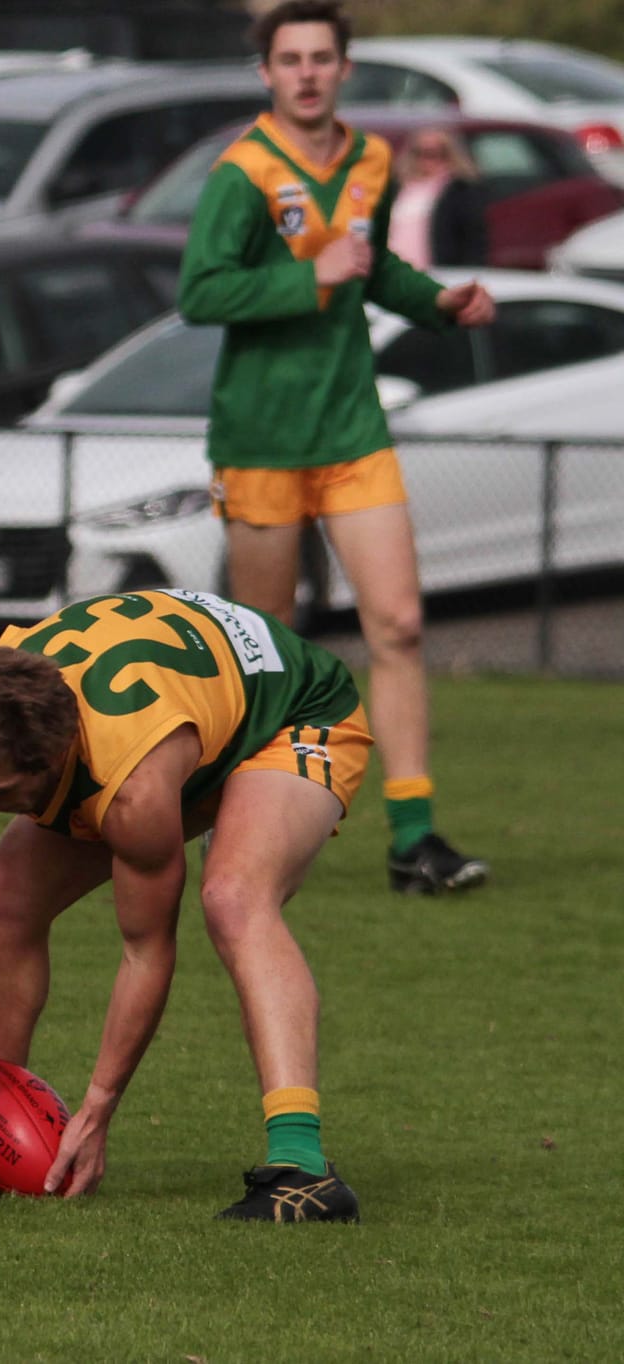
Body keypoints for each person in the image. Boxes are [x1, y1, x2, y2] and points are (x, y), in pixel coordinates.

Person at [0, 589, 371, 1222]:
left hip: (292, 717)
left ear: (54, 754)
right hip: (186, 719)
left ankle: (303, 1169)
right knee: (4, 893)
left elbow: (145, 950)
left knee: (233, 897)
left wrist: (98, 1106)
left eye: (2, 793)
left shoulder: (132, 787)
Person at [179, 0, 492, 895]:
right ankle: (243, 824)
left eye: (323, 57)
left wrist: (435, 301)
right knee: (270, 650)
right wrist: (300, 276)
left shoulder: (371, 161)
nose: (308, 72)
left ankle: (413, 837)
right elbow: (201, 292)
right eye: (291, 59)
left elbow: (373, 264)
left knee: (398, 624)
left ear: (346, 67)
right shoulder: (241, 174)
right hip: (262, 439)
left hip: (353, 429)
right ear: (268, 74)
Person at [389, 127, 489, 269]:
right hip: (397, 272)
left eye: (436, 153)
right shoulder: (399, 186)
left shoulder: (461, 189)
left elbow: (473, 239)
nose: (428, 160)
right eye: (421, 153)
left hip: (438, 271)